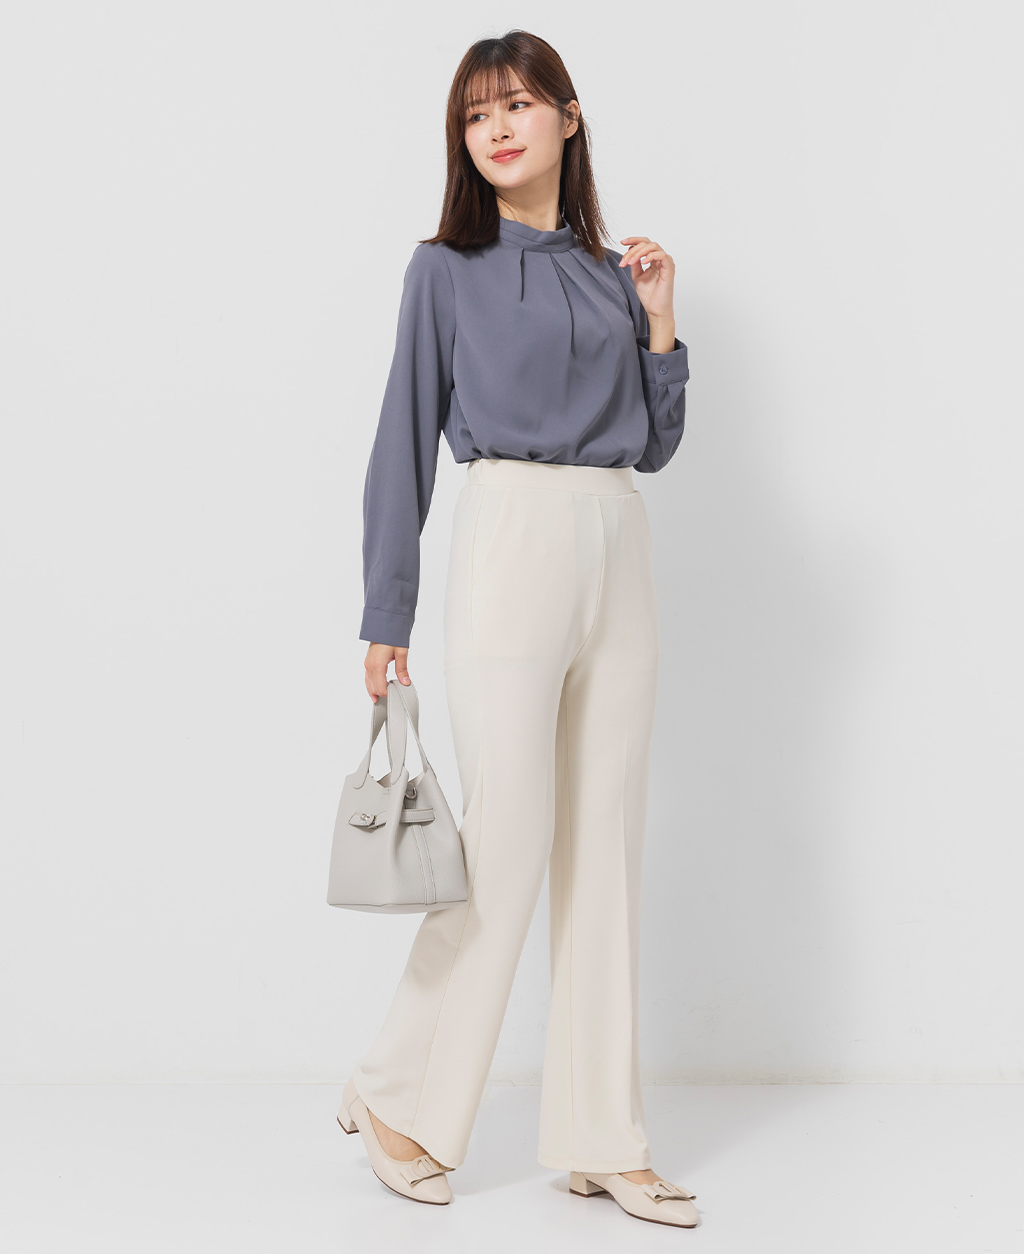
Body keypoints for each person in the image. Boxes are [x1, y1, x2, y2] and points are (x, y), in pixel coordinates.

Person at [340, 29, 698, 1229]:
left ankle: (605, 1135)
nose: (495, 128)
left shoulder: (611, 272)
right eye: (475, 113)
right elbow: (402, 438)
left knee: (606, 843)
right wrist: (386, 608)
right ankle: (396, 1094)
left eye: (518, 105)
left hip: (617, 539)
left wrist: (658, 322)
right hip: (508, 537)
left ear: (568, 117)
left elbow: (655, 444)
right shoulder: (444, 269)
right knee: (506, 836)